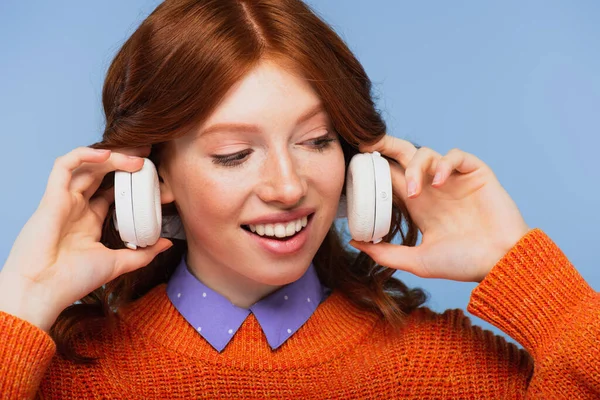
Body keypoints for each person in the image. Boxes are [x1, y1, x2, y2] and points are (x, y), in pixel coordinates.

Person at [0, 0, 597, 398]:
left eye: (316, 141)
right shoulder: (66, 378)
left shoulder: (445, 368)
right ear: (150, 178)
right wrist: (19, 305)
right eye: (234, 154)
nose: (288, 188)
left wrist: (527, 274)